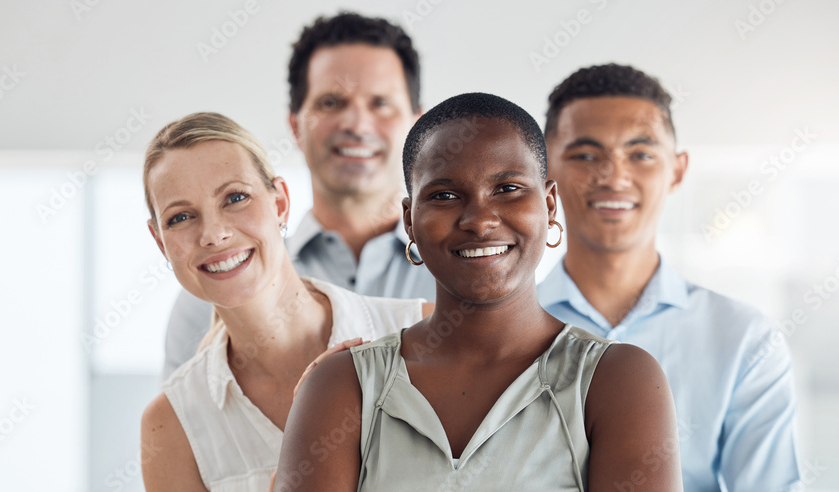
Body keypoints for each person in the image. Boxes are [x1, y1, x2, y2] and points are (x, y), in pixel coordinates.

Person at [275, 93, 682, 491]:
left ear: (550, 205)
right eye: (444, 196)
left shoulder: (618, 380)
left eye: (507, 189)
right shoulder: (344, 386)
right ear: (410, 220)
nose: (480, 220)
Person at [537, 63, 801, 491]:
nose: (614, 177)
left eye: (640, 155)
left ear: (677, 171)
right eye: (586, 155)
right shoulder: (500, 334)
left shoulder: (744, 340)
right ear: (544, 171)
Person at [139, 112, 430, 491]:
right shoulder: (171, 424)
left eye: (235, 197)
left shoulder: (419, 334)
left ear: (280, 204)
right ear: (161, 241)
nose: (213, 234)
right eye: (180, 217)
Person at [161, 12, 435, 379]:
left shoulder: (469, 272)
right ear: (295, 126)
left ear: (418, 126)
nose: (356, 124)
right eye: (331, 103)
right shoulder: (218, 282)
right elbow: (189, 428)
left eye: (380, 103)